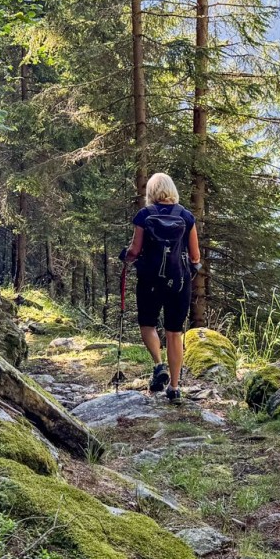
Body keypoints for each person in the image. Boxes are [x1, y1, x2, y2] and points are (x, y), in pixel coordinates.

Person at [123, 172, 201, 402]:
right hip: (179, 282)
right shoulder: (186, 216)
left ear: (151, 192)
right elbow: (195, 255)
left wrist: (126, 256)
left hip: (150, 281)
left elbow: (135, 251)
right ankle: (175, 388)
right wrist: (193, 267)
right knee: (174, 333)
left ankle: (159, 365)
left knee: (147, 324)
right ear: (172, 190)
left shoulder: (144, 215)